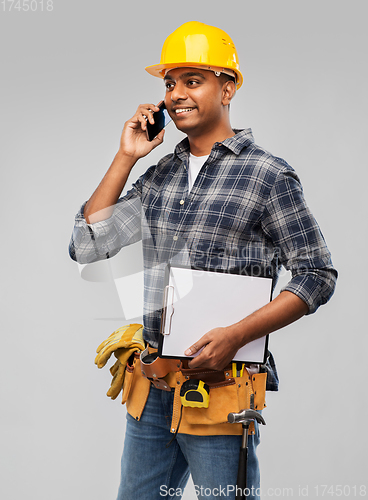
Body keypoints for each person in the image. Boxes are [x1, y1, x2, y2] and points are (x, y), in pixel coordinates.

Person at [69, 21, 337, 500]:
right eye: (169, 84)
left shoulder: (267, 176)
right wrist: (126, 156)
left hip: (220, 391)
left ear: (227, 87)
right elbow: (87, 245)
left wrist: (236, 336)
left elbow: (317, 275)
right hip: (152, 389)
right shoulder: (160, 177)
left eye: (193, 81)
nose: (176, 95)